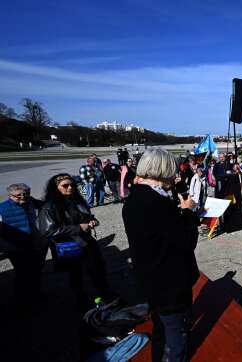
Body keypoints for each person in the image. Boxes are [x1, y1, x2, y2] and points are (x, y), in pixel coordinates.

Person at [122, 148, 200, 362]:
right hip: (169, 283)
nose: (176, 177)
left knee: (162, 330)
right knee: (176, 336)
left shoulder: (136, 197)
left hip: (151, 278)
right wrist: (188, 211)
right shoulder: (156, 203)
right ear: (163, 171)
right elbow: (186, 242)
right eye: (173, 172)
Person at [38, 173, 113, 310]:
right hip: (69, 245)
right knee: (75, 274)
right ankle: (81, 300)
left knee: (97, 269)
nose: (70, 187)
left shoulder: (77, 200)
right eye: (65, 186)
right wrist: (77, 228)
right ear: (56, 188)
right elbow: (48, 231)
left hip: (87, 242)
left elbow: (85, 215)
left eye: (72, 184)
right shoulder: (49, 207)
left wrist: (92, 220)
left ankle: (105, 294)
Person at [0, 184, 47, 307]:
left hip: (36, 243)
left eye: (26, 193)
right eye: (18, 195)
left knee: (37, 269)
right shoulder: (2, 208)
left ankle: (36, 294)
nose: (23, 197)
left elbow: (46, 206)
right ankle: (22, 300)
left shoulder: (31, 202)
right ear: (10, 196)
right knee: (22, 273)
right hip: (16, 247)